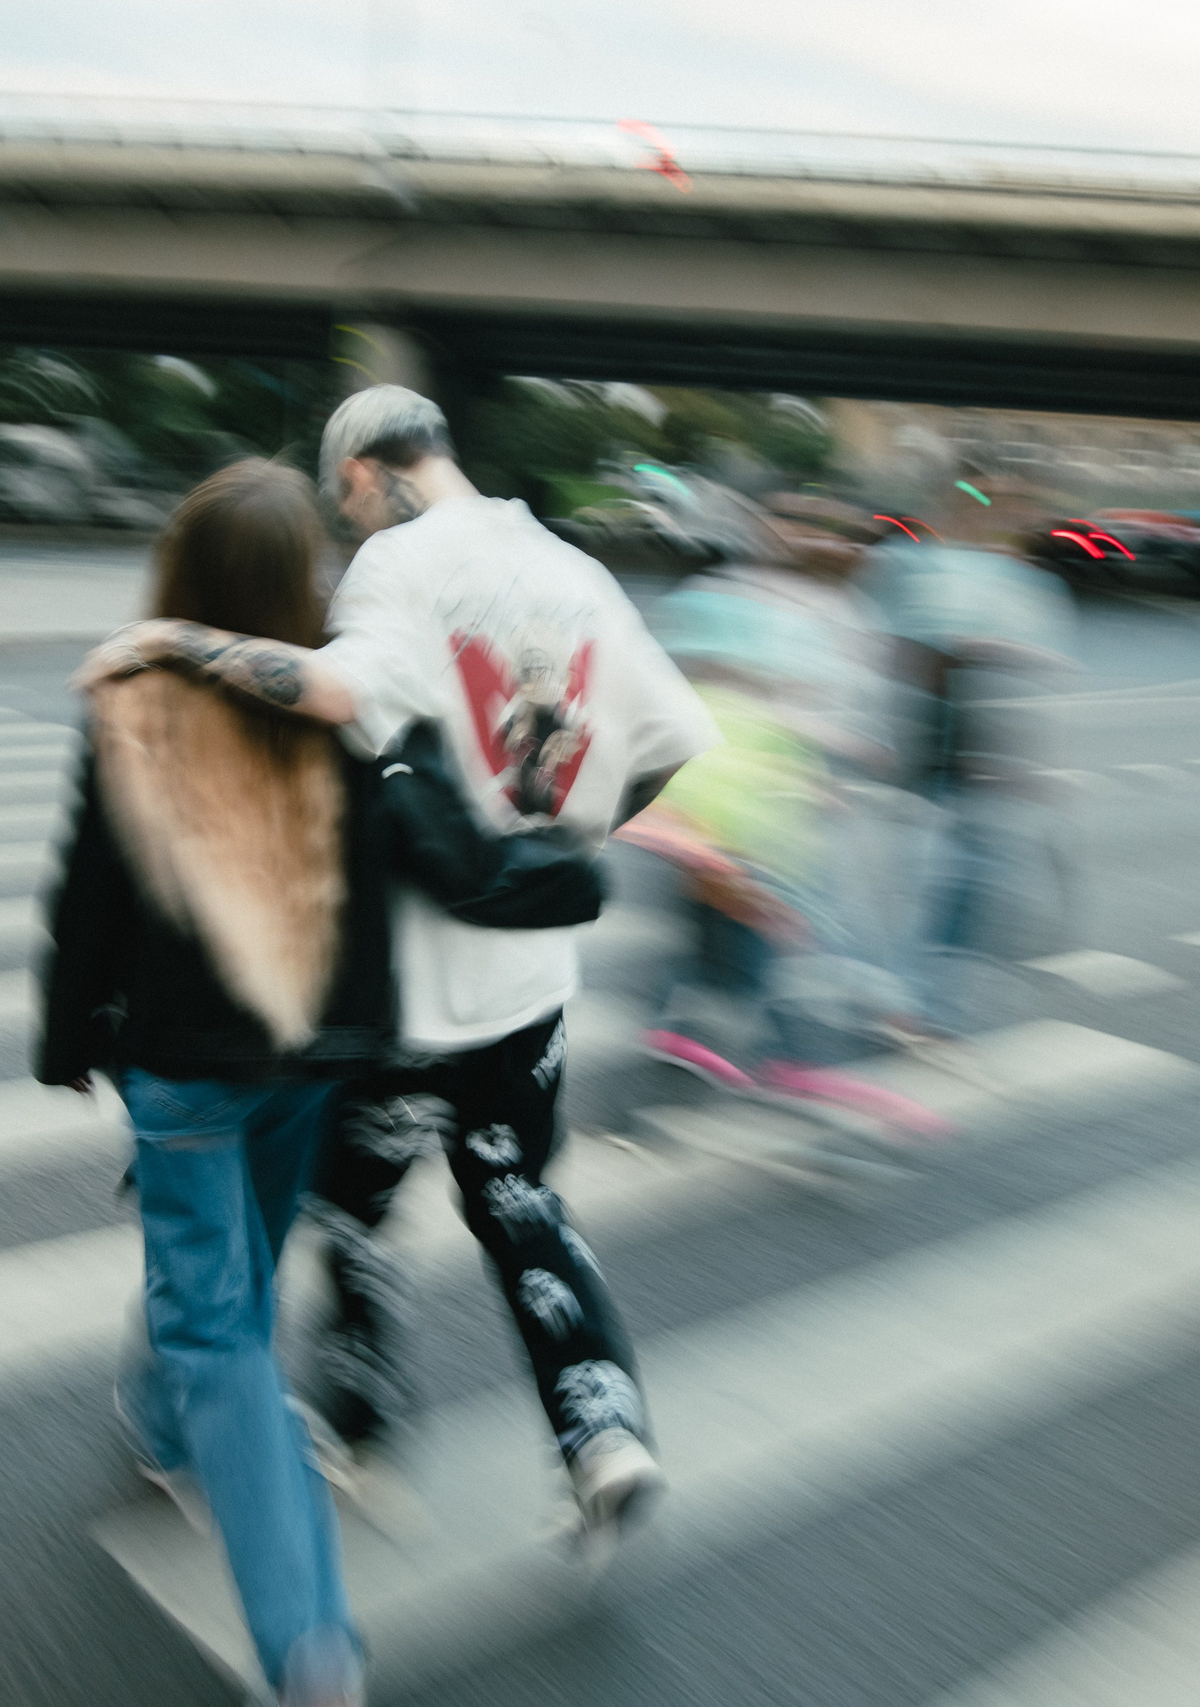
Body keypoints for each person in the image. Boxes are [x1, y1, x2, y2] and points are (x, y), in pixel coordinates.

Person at [81, 385, 720, 1544]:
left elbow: (334, 689)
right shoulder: (573, 569)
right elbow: (671, 741)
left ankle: (361, 1423)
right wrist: (550, 845)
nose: (350, 523)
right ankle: (602, 1428)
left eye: (347, 499)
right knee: (520, 1203)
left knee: (350, 1206)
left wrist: (174, 641)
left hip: (407, 996)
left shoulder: (402, 564)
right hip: (529, 992)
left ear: (369, 470)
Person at [39, 460, 377, 1707]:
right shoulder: (345, 688)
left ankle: (306, 1641)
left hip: (185, 1059)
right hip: (316, 1049)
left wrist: (66, 1035)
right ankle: (166, 1425)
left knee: (216, 1319)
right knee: (230, 1270)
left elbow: (90, 890)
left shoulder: (137, 695)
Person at [627, 493, 936, 1136]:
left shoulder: (848, 612)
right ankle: (783, 1059)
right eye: (804, 524)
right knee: (779, 933)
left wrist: (836, 757)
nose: (830, 540)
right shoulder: (728, 595)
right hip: (730, 798)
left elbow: (830, 709)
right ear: (767, 529)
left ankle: (690, 1036)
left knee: (738, 937)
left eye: (847, 532)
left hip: (775, 799)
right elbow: (686, 691)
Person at [858, 471, 1078, 1038]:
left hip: (996, 764)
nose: (1005, 514)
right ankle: (916, 1002)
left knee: (979, 892)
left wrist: (1028, 765)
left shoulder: (1031, 583)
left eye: (1018, 505)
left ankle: (931, 1004)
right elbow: (902, 647)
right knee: (931, 884)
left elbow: (1036, 677)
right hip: (934, 753)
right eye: (990, 501)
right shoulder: (919, 565)